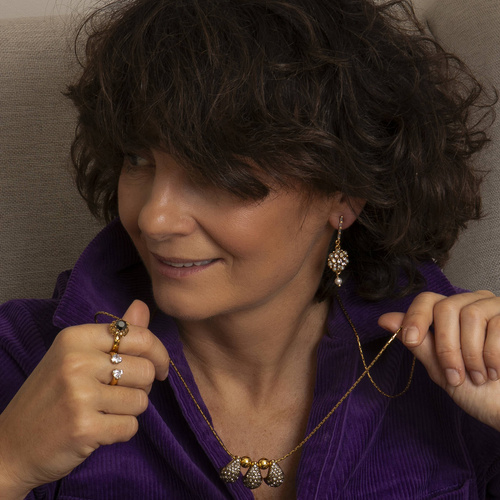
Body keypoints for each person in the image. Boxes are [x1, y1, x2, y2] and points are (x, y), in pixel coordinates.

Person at [0, 0, 499, 498]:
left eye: (215, 174)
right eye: (137, 159)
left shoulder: (460, 369)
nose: (154, 219)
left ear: (344, 195)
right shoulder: (23, 359)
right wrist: (10, 460)